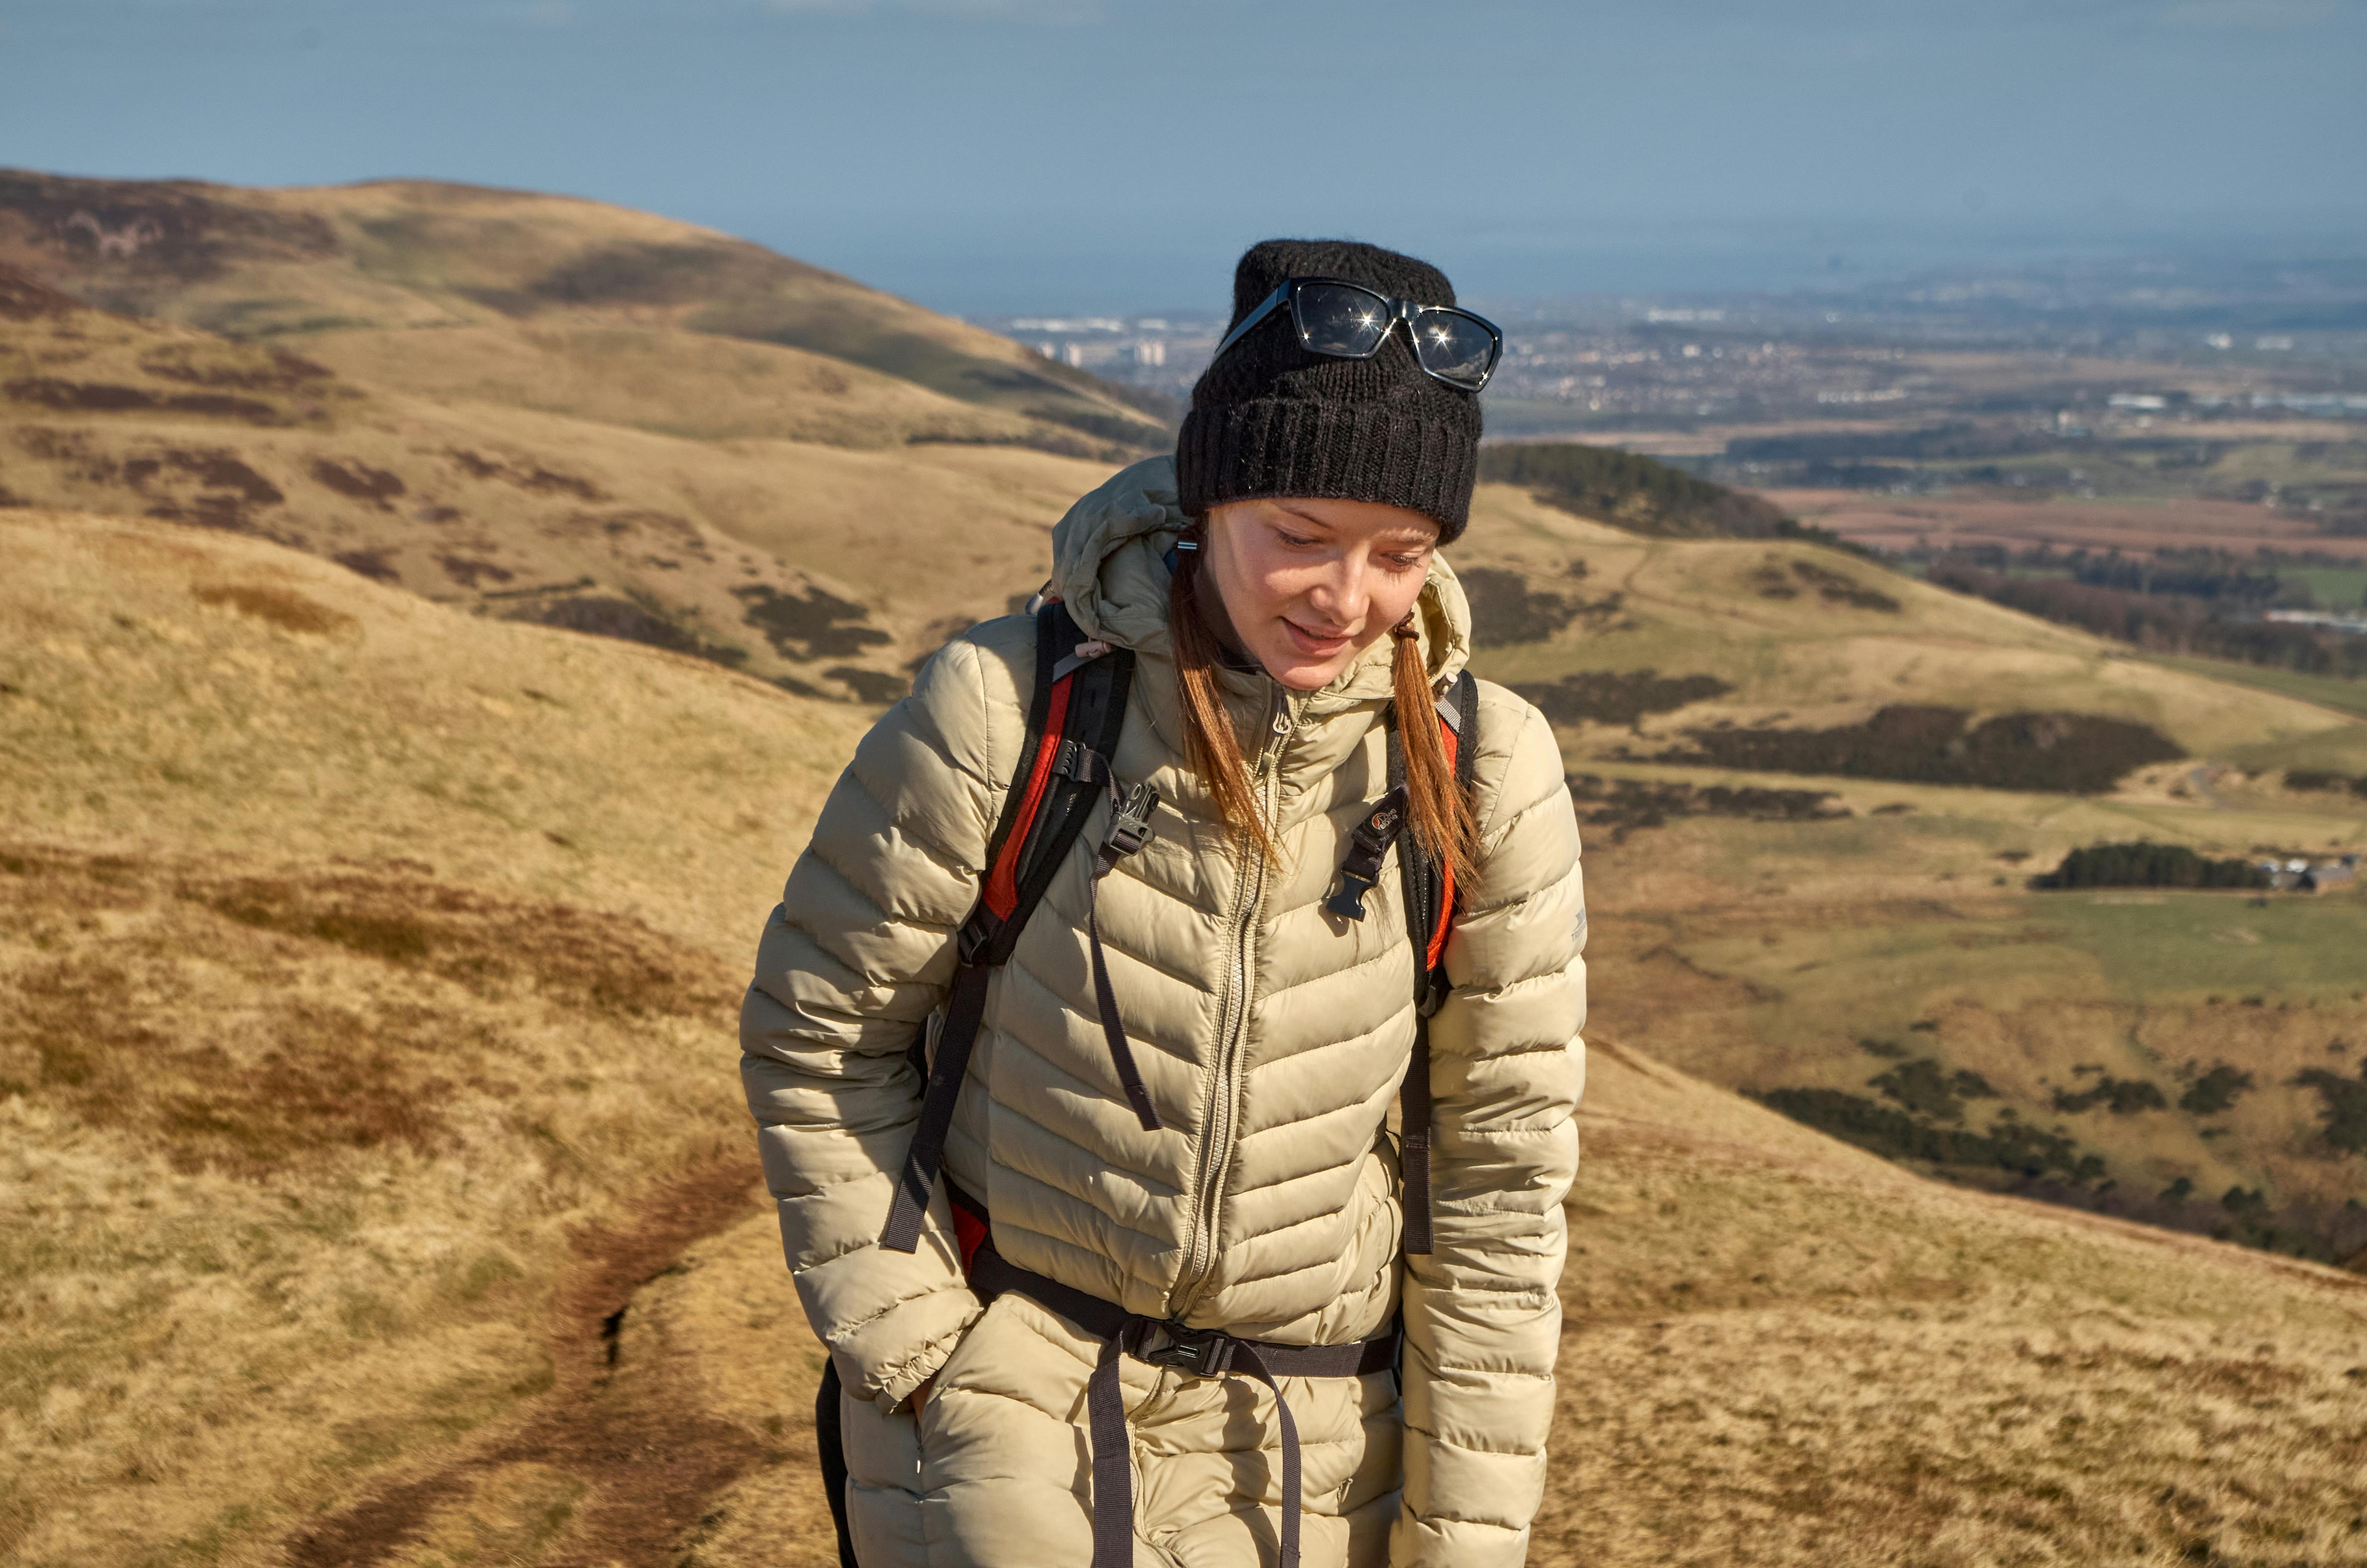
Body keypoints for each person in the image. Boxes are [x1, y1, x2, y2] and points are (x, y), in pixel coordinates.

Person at [740, 239, 1586, 1568]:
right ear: (1210, 497)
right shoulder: (1007, 707)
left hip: (1319, 1458)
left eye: (1400, 552)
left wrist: (1463, 1543)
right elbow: (819, 1036)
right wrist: (922, 1352)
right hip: (1008, 1411)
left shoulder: (1490, 764)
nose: (1346, 599)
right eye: (1299, 537)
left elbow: (1498, 1176)